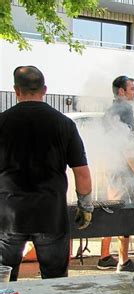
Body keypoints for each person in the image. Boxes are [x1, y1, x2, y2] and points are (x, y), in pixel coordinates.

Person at [0, 66, 93, 281]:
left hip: (8, 215)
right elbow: (81, 172)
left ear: (16, 90)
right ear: (45, 89)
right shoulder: (64, 124)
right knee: (55, 282)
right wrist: (85, 206)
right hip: (50, 214)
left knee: (2, 280)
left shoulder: (2, 122)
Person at [97, 75, 134, 272]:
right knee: (125, 215)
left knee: (111, 210)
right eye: (132, 88)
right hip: (123, 172)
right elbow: (127, 146)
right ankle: (124, 260)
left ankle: (104, 256)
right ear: (121, 91)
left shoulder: (110, 111)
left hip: (112, 169)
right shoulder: (125, 110)